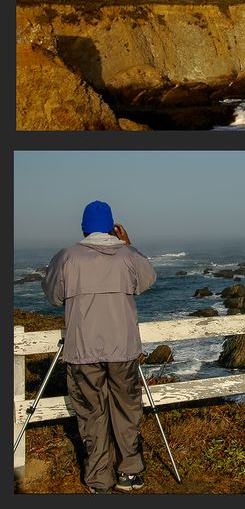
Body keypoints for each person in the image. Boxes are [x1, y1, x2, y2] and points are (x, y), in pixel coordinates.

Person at [42, 201, 157, 494]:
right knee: (127, 409)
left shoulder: (67, 257)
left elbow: (53, 296)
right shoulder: (127, 254)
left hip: (82, 350)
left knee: (91, 413)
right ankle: (129, 473)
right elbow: (147, 280)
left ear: (83, 227)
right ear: (112, 227)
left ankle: (98, 479)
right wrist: (128, 244)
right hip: (123, 348)